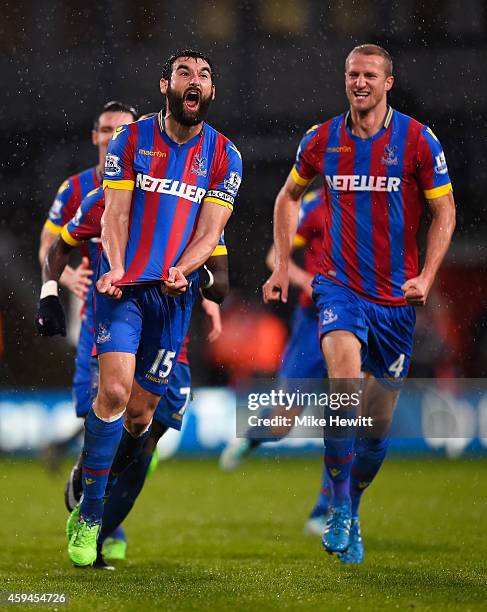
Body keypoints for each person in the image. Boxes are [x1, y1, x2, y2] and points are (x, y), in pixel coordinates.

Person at [263, 44, 455, 563]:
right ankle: (339, 509)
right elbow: (287, 197)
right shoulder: (321, 139)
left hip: (395, 300)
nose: (360, 82)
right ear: (344, 79)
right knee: (343, 387)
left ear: (388, 82)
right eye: (352, 74)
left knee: (375, 429)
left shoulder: (417, 139)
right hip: (338, 288)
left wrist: (427, 277)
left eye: (370, 74)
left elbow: (445, 213)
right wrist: (283, 265)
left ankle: (354, 497)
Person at [63, 49, 242, 567]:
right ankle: (90, 514)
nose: (196, 81)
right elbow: (115, 215)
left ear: (211, 93)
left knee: (141, 418)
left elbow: (210, 232)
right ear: (165, 85)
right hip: (125, 292)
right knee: (114, 390)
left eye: (205, 75)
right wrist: (116, 265)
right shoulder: (132, 141)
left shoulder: (225, 156)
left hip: (173, 298)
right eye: (185, 73)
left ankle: (93, 488)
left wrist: (185, 270)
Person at [37, 183, 229, 567]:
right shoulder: (96, 197)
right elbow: (56, 245)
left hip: (173, 343)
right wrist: (50, 292)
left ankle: (96, 509)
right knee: (112, 395)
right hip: (115, 314)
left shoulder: (199, 208)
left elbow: (220, 284)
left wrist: (196, 279)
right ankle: (93, 516)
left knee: (142, 440)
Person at [220, 188, 331, 535]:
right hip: (313, 321)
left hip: (359, 319)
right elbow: (274, 257)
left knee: (349, 416)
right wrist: (307, 281)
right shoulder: (314, 205)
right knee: (282, 422)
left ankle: (327, 510)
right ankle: (253, 436)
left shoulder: (374, 201)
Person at [38, 101, 138, 465]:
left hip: (145, 312)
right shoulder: (76, 188)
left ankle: (107, 479)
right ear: (95, 136)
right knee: (98, 409)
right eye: (107, 130)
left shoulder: (151, 186)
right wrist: (66, 277)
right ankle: (96, 495)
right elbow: (47, 247)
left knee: (137, 416)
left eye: (122, 130)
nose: (114, 137)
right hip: (99, 313)